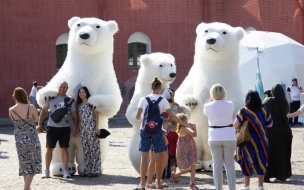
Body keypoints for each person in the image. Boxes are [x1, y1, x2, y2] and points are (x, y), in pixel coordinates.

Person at [134, 77, 189, 190]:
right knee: (158, 158)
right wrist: (182, 123)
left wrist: (147, 120)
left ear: (151, 87)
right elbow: (171, 116)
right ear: (160, 88)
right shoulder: (163, 100)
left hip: (144, 130)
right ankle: (158, 183)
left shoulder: (143, 99)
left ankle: (142, 184)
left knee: (144, 158)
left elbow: (137, 116)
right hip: (157, 131)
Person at [37, 81, 77, 179]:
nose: (62, 89)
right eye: (61, 86)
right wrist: (39, 123)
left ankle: (65, 171)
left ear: (67, 89)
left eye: (65, 87)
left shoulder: (70, 100)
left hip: (65, 128)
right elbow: (44, 111)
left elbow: (74, 114)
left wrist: (75, 126)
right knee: (49, 148)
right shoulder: (50, 98)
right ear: (58, 87)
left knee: (64, 149)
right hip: (52, 127)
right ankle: (46, 170)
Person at [233, 90, 273, 190]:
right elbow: (270, 124)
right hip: (262, 140)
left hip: (247, 141)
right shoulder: (264, 109)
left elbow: (235, 125)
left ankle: (246, 186)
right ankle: (260, 186)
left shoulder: (243, 111)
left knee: (247, 161)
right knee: (261, 161)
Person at [203, 83, 236, 190]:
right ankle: (232, 188)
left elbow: (206, 112)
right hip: (229, 135)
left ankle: (218, 188)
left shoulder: (207, 106)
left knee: (217, 164)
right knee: (230, 164)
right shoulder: (230, 104)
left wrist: (211, 100)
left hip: (214, 136)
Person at [8, 87, 42, 190]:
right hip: (32, 138)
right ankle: (26, 188)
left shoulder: (11, 110)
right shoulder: (30, 107)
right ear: (25, 96)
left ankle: (27, 187)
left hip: (19, 140)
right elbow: (37, 119)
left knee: (24, 164)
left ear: (15, 96)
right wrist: (28, 103)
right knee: (32, 164)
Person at [263, 84, 292, 182]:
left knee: (269, 152)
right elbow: (286, 112)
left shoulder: (268, 101)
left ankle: (267, 175)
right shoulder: (284, 102)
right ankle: (281, 174)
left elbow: (263, 112)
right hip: (283, 130)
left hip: (270, 130)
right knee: (281, 153)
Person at [76, 86, 101, 177]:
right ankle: (88, 170)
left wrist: (96, 128)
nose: (81, 94)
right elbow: (79, 119)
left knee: (94, 149)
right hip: (83, 129)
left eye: (83, 92)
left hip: (91, 128)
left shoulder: (91, 103)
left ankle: (96, 169)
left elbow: (97, 115)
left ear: (86, 93)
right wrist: (77, 129)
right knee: (86, 150)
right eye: (80, 92)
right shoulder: (78, 105)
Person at [171, 113, 199, 190]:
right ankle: (176, 175)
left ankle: (191, 183)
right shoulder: (183, 129)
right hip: (187, 150)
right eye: (186, 120)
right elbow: (194, 135)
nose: (187, 121)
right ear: (182, 121)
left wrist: (191, 127)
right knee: (188, 168)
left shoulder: (182, 128)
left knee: (193, 167)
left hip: (189, 150)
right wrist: (194, 127)